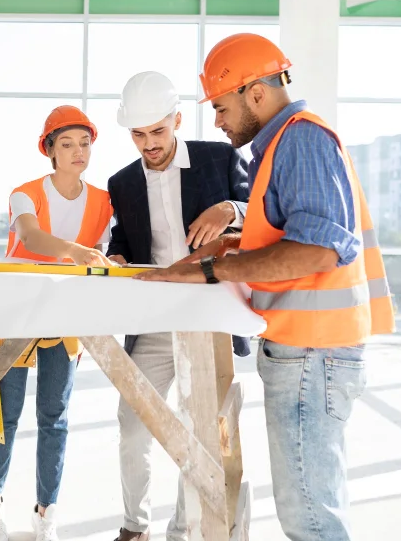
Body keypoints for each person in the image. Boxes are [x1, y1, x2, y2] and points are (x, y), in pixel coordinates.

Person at [135, 34, 395, 541]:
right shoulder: (281, 145)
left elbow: (319, 249)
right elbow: (286, 233)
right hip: (307, 351)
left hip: (312, 353)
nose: (217, 120)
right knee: (313, 505)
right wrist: (232, 244)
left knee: (310, 517)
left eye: (221, 106)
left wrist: (211, 271)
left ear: (255, 92)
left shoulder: (301, 139)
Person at [103, 71, 251, 541]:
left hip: (204, 318)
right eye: (139, 135)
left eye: (157, 132)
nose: (148, 144)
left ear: (177, 121)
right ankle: (134, 525)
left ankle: (182, 529)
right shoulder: (121, 182)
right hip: (151, 321)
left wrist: (229, 209)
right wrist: (116, 257)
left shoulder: (218, 157)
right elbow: (123, 242)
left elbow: (260, 212)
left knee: (199, 430)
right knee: (132, 423)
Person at [0, 105, 115, 541]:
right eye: (66, 144)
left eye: (85, 143)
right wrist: (77, 252)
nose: (78, 152)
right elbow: (31, 237)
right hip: (16, 310)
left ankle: (46, 515)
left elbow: (105, 250)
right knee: (6, 416)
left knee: (54, 417)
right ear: (50, 150)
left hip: (65, 314)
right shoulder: (24, 193)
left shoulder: (102, 200)